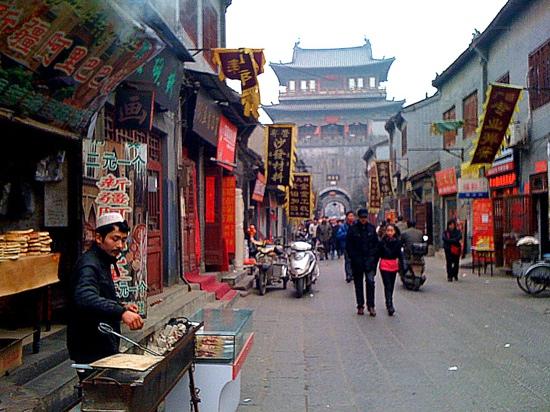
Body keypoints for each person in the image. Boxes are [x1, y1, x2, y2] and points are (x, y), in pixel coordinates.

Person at [67, 212, 144, 380]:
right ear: (99, 238)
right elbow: (85, 297)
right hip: (90, 347)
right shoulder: (89, 264)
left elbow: (99, 295)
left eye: (123, 240)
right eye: (114, 239)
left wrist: (122, 306)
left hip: (102, 344)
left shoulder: (103, 260)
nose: (120, 245)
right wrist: (121, 312)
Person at [346, 208, 379, 316]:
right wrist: (353, 258)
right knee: (358, 284)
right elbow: (349, 245)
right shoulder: (353, 229)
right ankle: (360, 305)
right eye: (361, 217)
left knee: (370, 282)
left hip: (369, 261)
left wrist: (373, 258)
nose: (363, 219)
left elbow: (376, 244)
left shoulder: (371, 228)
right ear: (358, 218)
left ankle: (371, 306)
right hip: (357, 261)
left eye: (365, 217)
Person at [378, 224, 402, 316]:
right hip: (384, 265)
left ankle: (389, 301)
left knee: (391, 285)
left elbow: (400, 255)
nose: (390, 232)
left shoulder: (398, 242)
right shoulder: (382, 242)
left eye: (391, 230)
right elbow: (378, 253)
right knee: (387, 285)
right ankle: (389, 304)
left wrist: (403, 266)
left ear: (395, 232)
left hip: (393, 265)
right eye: (388, 230)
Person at [337, 211, 355, 282]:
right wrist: (347, 234)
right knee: (348, 260)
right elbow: (339, 235)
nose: (351, 217)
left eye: (352, 216)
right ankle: (349, 275)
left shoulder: (356, 226)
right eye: (350, 216)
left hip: (356, 246)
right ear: (347, 217)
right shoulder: (343, 226)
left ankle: (354, 274)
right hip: (346, 246)